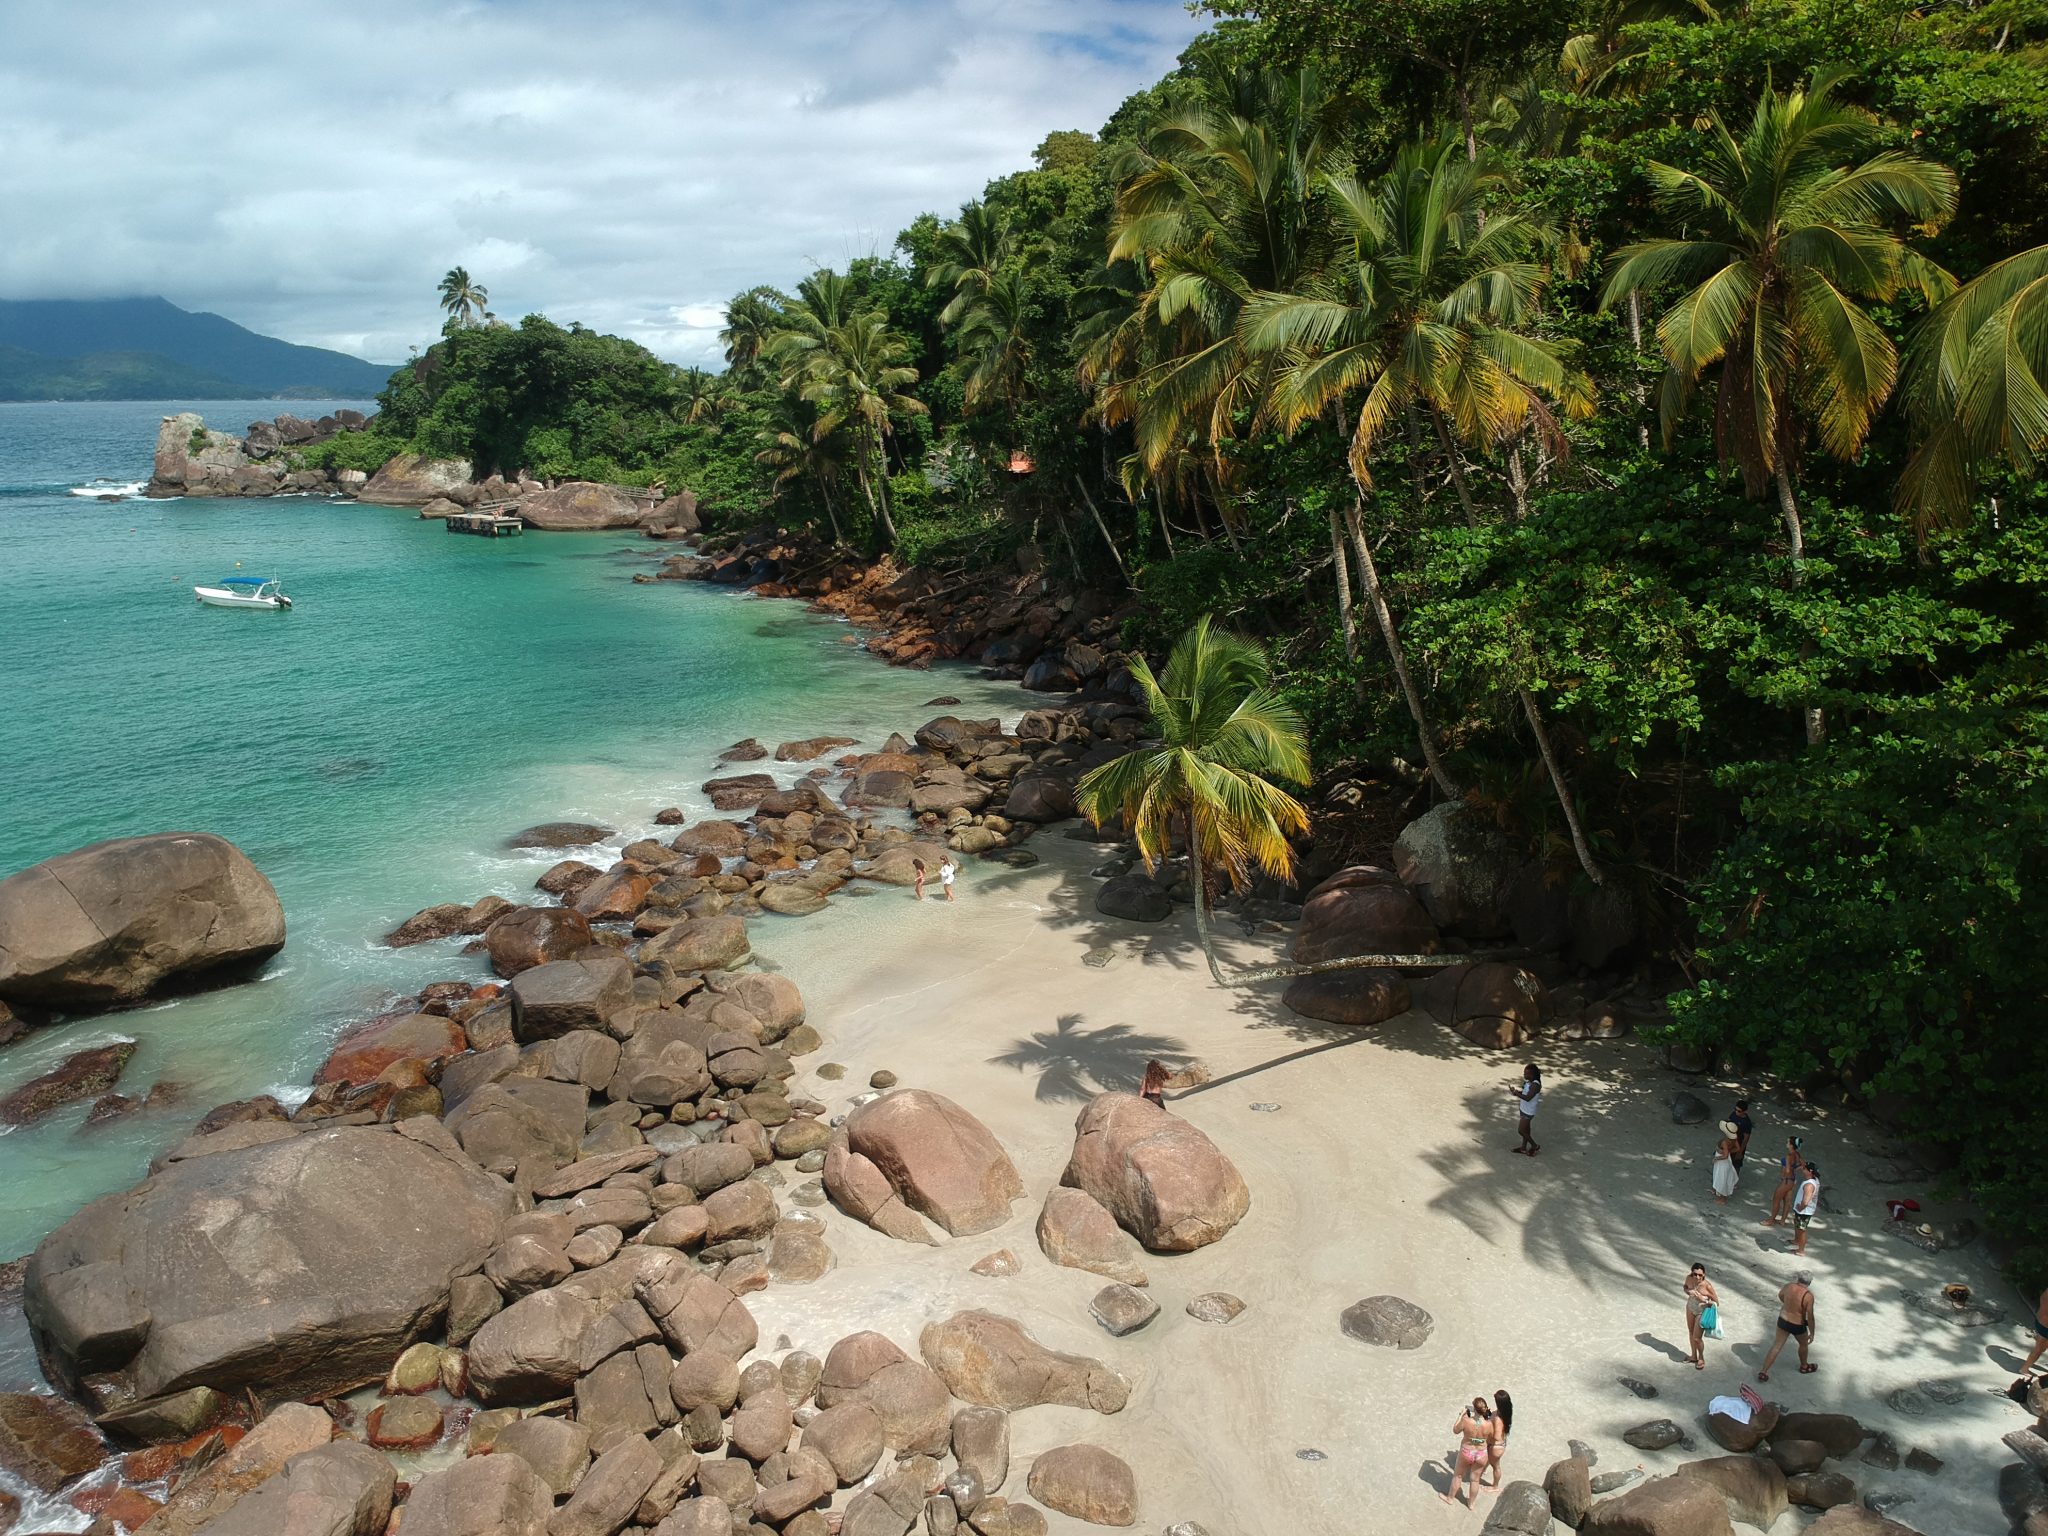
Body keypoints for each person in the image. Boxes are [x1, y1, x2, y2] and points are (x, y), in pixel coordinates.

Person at [1757, 1271, 1817, 1381]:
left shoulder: (1789, 1286)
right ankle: (1804, 1366)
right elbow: (1810, 1316)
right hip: (1798, 1324)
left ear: (1798, 1279)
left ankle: (1763, 1371)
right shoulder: (1808, 1296)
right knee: (1803, 1344)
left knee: (1776, 1346)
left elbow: (1780, 1295)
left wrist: (1788, 1304)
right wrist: (1812, 1333)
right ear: (1810, 1282)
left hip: (1783, 1320)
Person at [1443, 1398, 1493, 1506]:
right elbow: (1490, 1436)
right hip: (1481, 1453)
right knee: (1475, 1480)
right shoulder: (1489, 1424)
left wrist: (1461, 1415)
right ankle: (1471, 1503)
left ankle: (1450, 1498)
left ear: (1474, 1409)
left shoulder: (1466, 1421)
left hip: (1467, 1451)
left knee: (1458, 1476)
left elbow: (1455, 1430)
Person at [1683, 1262, 1721, 1370]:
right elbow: (1685, 1287)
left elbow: (1716, 1302)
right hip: (1690, 1307)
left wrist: (1704, 1301)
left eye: (1700, 1275)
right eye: (1695, 1274)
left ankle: (1701, 1357)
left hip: (1701, 1311)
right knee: (1690, 1332)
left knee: (1697, 1338)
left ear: (1704, 1274)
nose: (1697, 1277)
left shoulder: (1707, 1286)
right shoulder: (1689, 1279)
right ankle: (1693, 1356)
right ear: (1692, 1273)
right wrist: (1688, 1291)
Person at [1763, 1137, 1805, 1226]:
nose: (1786, 1143)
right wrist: (1795, 1169)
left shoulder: (1788, 1156)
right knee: (1787, 1201)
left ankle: (1771, 1220)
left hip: (1786, 1180)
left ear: (1791, 1145)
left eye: (1788, 1142)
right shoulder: (1797, 1154)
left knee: (1776, 1200)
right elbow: (1803, 1165)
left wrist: (1786, 1169)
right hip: (1792, 1180)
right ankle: (1782, 1221)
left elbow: (1787, 1170)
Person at [1483, 1390, 1513, 1487]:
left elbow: (1496, 1436)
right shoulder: (1506, 1412)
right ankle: (1483, 1470)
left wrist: (1487, 1429)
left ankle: (1495, 1486)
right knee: (1490, 1461)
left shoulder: (1498, 1419)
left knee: (1496, 1466)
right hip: (1499, 1445)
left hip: (1496, 1446)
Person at [1790, 1161, 1821, 1255]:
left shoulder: (1809, 1185)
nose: (1802, 1169)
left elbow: (1806, 1201)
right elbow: (1803, 1165)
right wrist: (1801, 1166)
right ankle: (1796, 1240)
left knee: (1801, 1230)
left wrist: (1801, 1207)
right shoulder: (1815, 1180)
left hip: (1803, 1211)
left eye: (1804, 1169)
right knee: (1797, 1225)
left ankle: (1801, 1250)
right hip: (1803, 1210)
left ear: (1810, 1171)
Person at [1511, 1065, 1542, 1156]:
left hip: (1528, 1112)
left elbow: (1528, 1098)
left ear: (1531, 1075)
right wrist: (1517, 1092)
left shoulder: (1535, 1085)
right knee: (1526, 1130)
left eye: (1526, 1073)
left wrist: (1517, 1094)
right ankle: (1523, 1148)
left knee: (1521, 1131)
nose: (1524, 1074)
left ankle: (1534, 1146)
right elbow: (1525, 1093)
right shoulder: (1529, 1082)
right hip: (1524, 1109)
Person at [1711, 1121, 1741, 1204]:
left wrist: (1717, 1158)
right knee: (1721, 1177)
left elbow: (1725, 1156)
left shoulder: (1724, 1142)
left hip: (1722, 1162)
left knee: (1721, 1178)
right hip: (1726, 1161)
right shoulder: (1734, 1139)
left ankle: (1722, 1199)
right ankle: (1717, 1192)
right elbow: (1738, 1148)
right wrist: (1729, 1151)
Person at [2024, 1285, 2048, 1376]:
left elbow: (2042, 1298)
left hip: (2040, 1319)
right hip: (2045, 1326)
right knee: (2039, 1349)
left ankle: (2039, 1339)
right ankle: (2024, 1369)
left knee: (2042, 1347)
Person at [1730, 1099, 1754, 1172]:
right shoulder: (1733, 1114)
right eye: (1735, 1109)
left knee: (1736, 1164)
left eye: (1739, 1111)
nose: (1736, 1112)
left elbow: (1746, 1138)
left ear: (1745, 1111)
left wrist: (1740, 1151)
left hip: (1739, 1143)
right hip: (1730, 1141)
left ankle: (1734, 1181)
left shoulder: (1747, 1122)